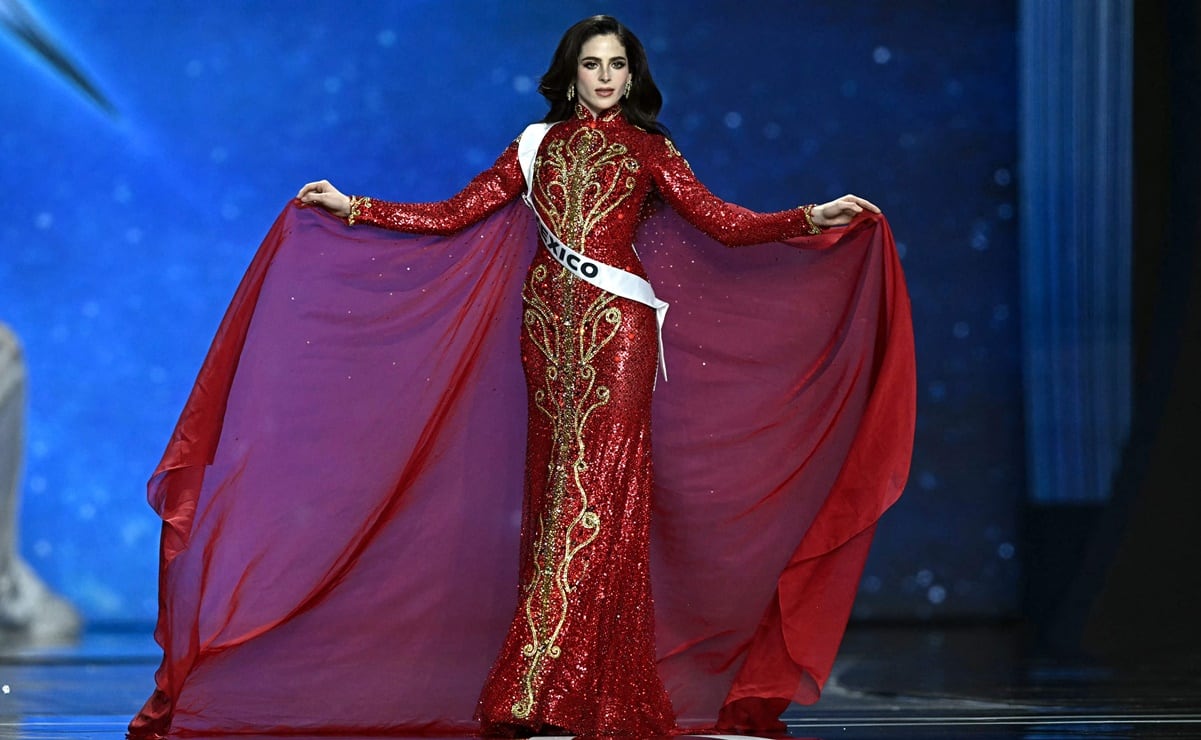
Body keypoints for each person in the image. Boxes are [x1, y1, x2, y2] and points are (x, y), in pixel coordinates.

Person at [131, 14, 914, 739]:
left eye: (616, 65)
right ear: (569, 73)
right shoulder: (536, 144)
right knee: (557, 500)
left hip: (616, 334)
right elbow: (456, 211)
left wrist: (807, 218)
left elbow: (722, 223)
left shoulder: (649, 151)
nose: (604, 77)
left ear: (631, 75)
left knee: (592, 498)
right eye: (591, 64)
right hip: (544, 333)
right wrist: (353, 206)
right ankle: (583, 690)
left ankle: (541, 686)